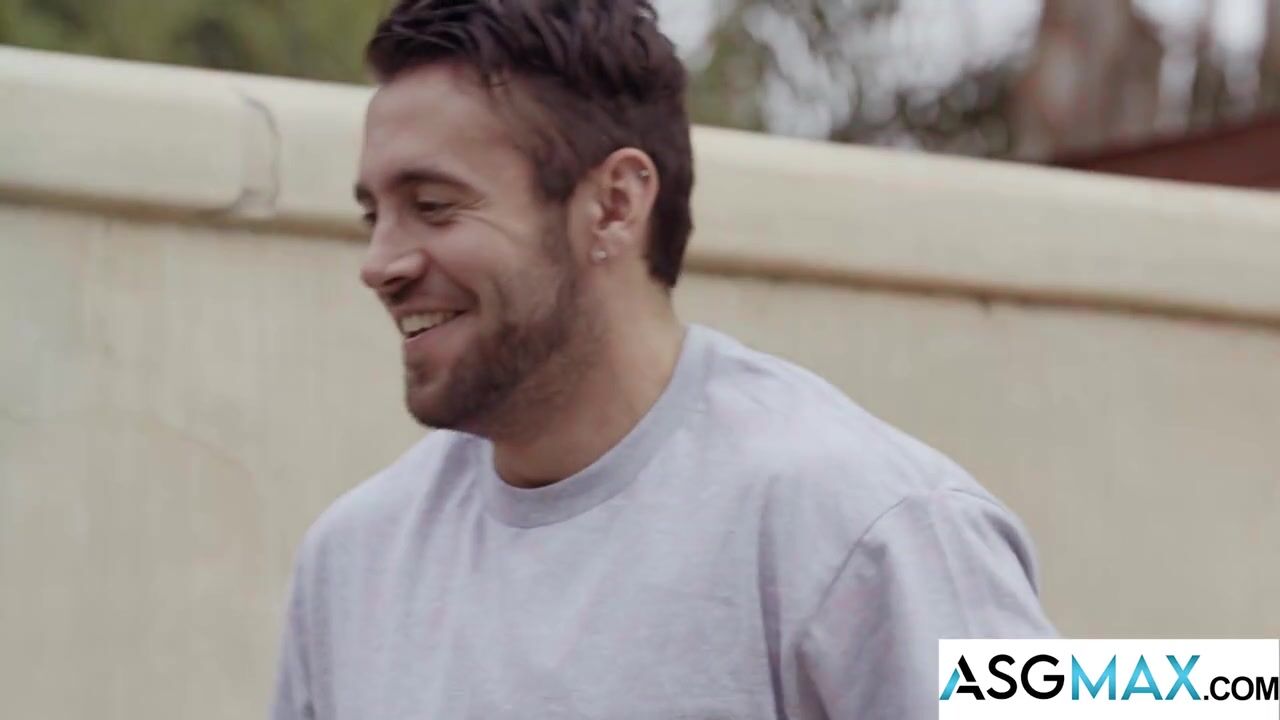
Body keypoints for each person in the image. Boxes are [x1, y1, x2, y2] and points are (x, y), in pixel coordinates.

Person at [271, 1, 1056, 718]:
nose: (380, 263)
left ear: (614, 204)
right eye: (374, 216)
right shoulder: (350, 562)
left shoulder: (881, 525)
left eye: (434, 207)